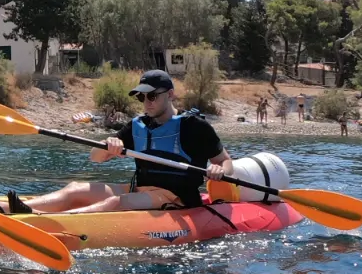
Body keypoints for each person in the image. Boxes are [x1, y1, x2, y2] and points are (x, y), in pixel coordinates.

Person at [13, 69, 232, 214]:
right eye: (141, 97)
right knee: (75, 189)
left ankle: (42, 220)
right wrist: (108, 145)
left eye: (152, 96)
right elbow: (95, 158)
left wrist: (219, 170)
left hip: (176, 198)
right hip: (140, 191)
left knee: (117, 203)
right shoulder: (138, 126)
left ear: (170, 94)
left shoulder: (194, 126)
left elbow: (225, 161)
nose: (146, 102)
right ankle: (7, 209)